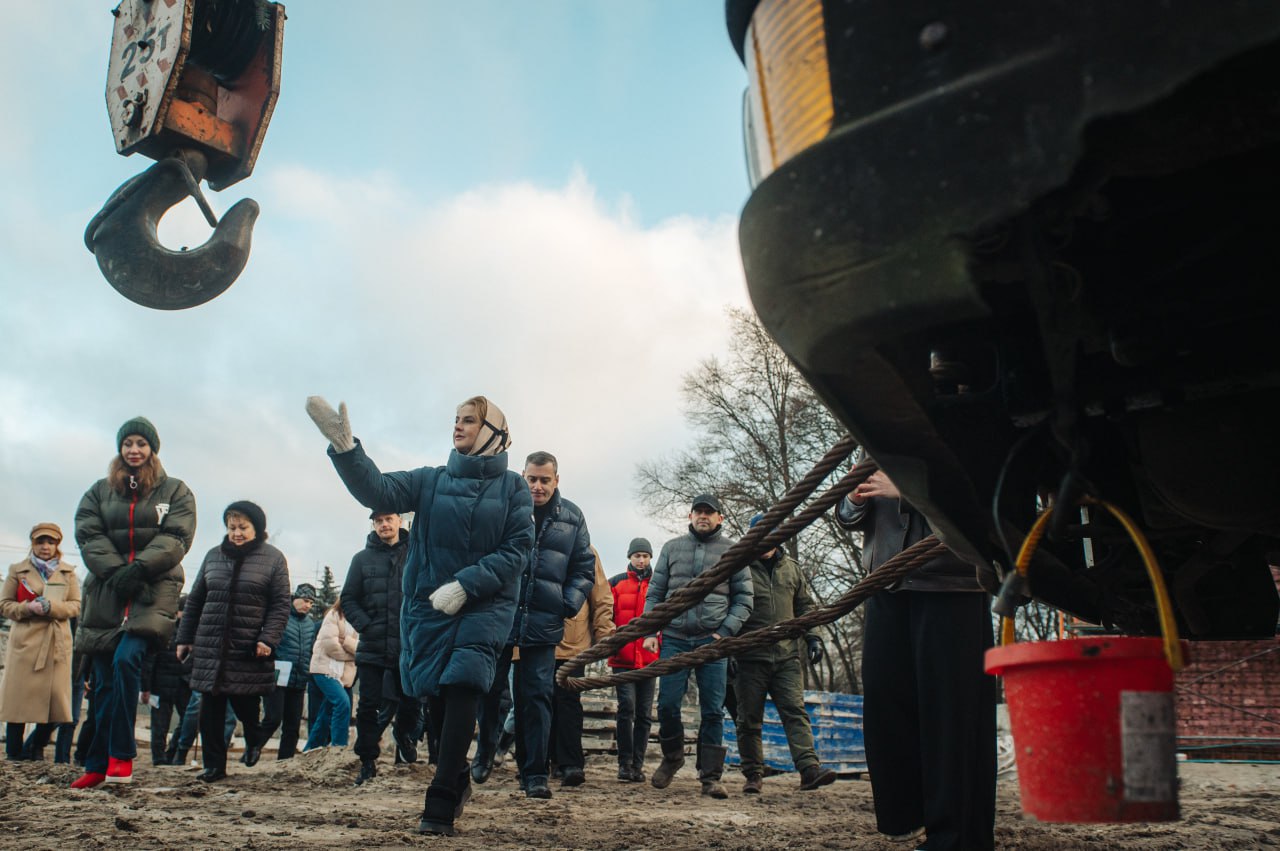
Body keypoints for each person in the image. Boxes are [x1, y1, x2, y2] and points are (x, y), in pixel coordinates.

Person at [306, 393, 534, 836]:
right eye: (456, 419)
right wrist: (347, 450)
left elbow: (518, 549)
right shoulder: (430, 480)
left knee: (463, 683)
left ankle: (442, 796)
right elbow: (378, 491)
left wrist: (468, 584)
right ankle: (459, 776)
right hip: (428, 609)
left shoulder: (513, 489)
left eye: (469, 420)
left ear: (494, 433)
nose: (458, 426)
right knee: (436, 700)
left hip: (484, 605)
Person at [835, 466, 996, 851]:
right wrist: (854, 500)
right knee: (884, 701)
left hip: (951, 583)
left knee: (952, 718)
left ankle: (956, 839)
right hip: (887, 581)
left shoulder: (962, 424)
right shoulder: (870, 432)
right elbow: (845, 515)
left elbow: (986, 494)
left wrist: (907, 490)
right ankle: (905, 818)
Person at [72, 417, 196, 787]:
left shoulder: (175, 491)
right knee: (105, 683)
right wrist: (117, 574)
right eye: (128, 444)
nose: (134, 450)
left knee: (127, 660)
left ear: (152, 449)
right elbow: (88, 534)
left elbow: (177, 536)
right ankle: (96, 764)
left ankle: (121, 755)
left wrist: (140, 570)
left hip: (153, 591)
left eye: (141, 443)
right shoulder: (98, 491)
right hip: (107, 593)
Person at [474, 450, 596, 801]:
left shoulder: (572, 516)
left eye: (545, 480)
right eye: (532, 479)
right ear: (522, 477)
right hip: (500, 614)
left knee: (537, 698)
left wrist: (567, 603)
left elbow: (583, 566)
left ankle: (535, 774)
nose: (538, 486)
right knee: (487, 688)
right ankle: (484, 752)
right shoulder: (504, 507)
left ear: (557, 480)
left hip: (544, 618)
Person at [643, 494, 753, 798]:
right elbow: (655, 594)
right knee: (667, 704)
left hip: (712, 640)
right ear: (690, 516)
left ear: (720, 518)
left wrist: (725, 631)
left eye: (709, 512)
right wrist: (651, 630)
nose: (702, 516)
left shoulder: (734, 551)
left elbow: (744, 598)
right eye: (698, 512)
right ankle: (673, 757)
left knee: (713, 710)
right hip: (675, 638)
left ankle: (710, 777)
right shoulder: (671, 548)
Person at [176, 500, 291, 783]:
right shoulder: (213, 556)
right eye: (232, 527)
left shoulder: (273, 558)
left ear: (257, 528)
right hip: (211, 644)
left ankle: (254, 740)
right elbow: (195, 600)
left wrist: (268, 638)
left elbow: (280, 605)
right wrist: (185, 638)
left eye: (243, 527)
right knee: (211, 709)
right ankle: (214, 766)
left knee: (246, 706)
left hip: (248, 646)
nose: (236, 533)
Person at [732, 513, 837, 794]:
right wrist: (728, 651)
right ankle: (753, 774)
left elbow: (805, 606)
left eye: (772, 533)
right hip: (749, 657)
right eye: (761, 533)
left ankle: (808, 769)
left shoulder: (792, 568)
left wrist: (813, 637)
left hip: (787, 655)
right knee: (749, 718)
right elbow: (728, 610)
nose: (767, 538)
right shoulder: (739, 568)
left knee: (795, 711)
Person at [339, 509, 419, 785]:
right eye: (379, 521)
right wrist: (366, 625)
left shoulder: (416, 553)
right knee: (368, 707)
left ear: (399, 521)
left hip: (407, 643)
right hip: (373, 644)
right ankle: (367, 760)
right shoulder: (361, 560)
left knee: (412, 700)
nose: (384, 525)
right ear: (373, 525)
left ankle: (405, 734)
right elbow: (348, 598)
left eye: (389, 519)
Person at [1, 523, 82, 761]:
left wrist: (52, 607)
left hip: (56, 644)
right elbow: (4, 604)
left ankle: (35, 746)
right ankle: (15, 753)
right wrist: (29, 607)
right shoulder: (17, 570)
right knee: (17, 703)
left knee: (58, 706)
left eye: (51, 542)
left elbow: (76, 606)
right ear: (33, 544)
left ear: (57, 545)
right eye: (40, 542)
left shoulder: (69, 573)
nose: (45, 547)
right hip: (25, 644)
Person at [549, 547, 615, 787]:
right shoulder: (523, 533)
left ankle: (569, 763)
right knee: (536, 701)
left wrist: (604, 632)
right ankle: (538, 762)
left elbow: (601, 594)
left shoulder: (585, 549)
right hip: (532, 638)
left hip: (572, 639)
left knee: (567, 701)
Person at [608, 537, 659, 782]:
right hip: (623, 658)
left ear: (650, 558)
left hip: (649, 659)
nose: (641, 560)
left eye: (645, 556)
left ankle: (638, 765)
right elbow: (606, 615)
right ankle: (624, 763)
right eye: (637, 555)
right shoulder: (616, 584)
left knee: (644, 713)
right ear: (630, 557)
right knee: (626, 708)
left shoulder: (658, 585)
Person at [260, 583, 320, 760]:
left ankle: (285, 761)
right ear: (295, 598)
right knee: (272, 719)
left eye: (311, 603)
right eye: (305, 600)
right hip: (277, 677)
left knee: (292, 725)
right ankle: (253, 747)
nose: (308, 605)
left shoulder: (310, 625)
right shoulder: (280, 618)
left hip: (299, 679)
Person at [140, 593, 191, 764]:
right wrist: (145, 687)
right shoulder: (166, 631)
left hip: (176, 684)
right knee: (164, 724)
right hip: (168, 685)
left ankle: (164, 756)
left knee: (170, 723)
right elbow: (150, 660)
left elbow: (149, 661)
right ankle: (164, 757)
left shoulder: (166, 630)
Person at [304, 593, 358, 752]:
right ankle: (339, 747)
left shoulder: (357, 622)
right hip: (323, 669)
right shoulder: (333, 615)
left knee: (327, 711)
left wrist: (346, 642)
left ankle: (311, 748)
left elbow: (361, 647)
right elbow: (331, 646)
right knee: (342, 703)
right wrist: (351, 653)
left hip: (343, 675)